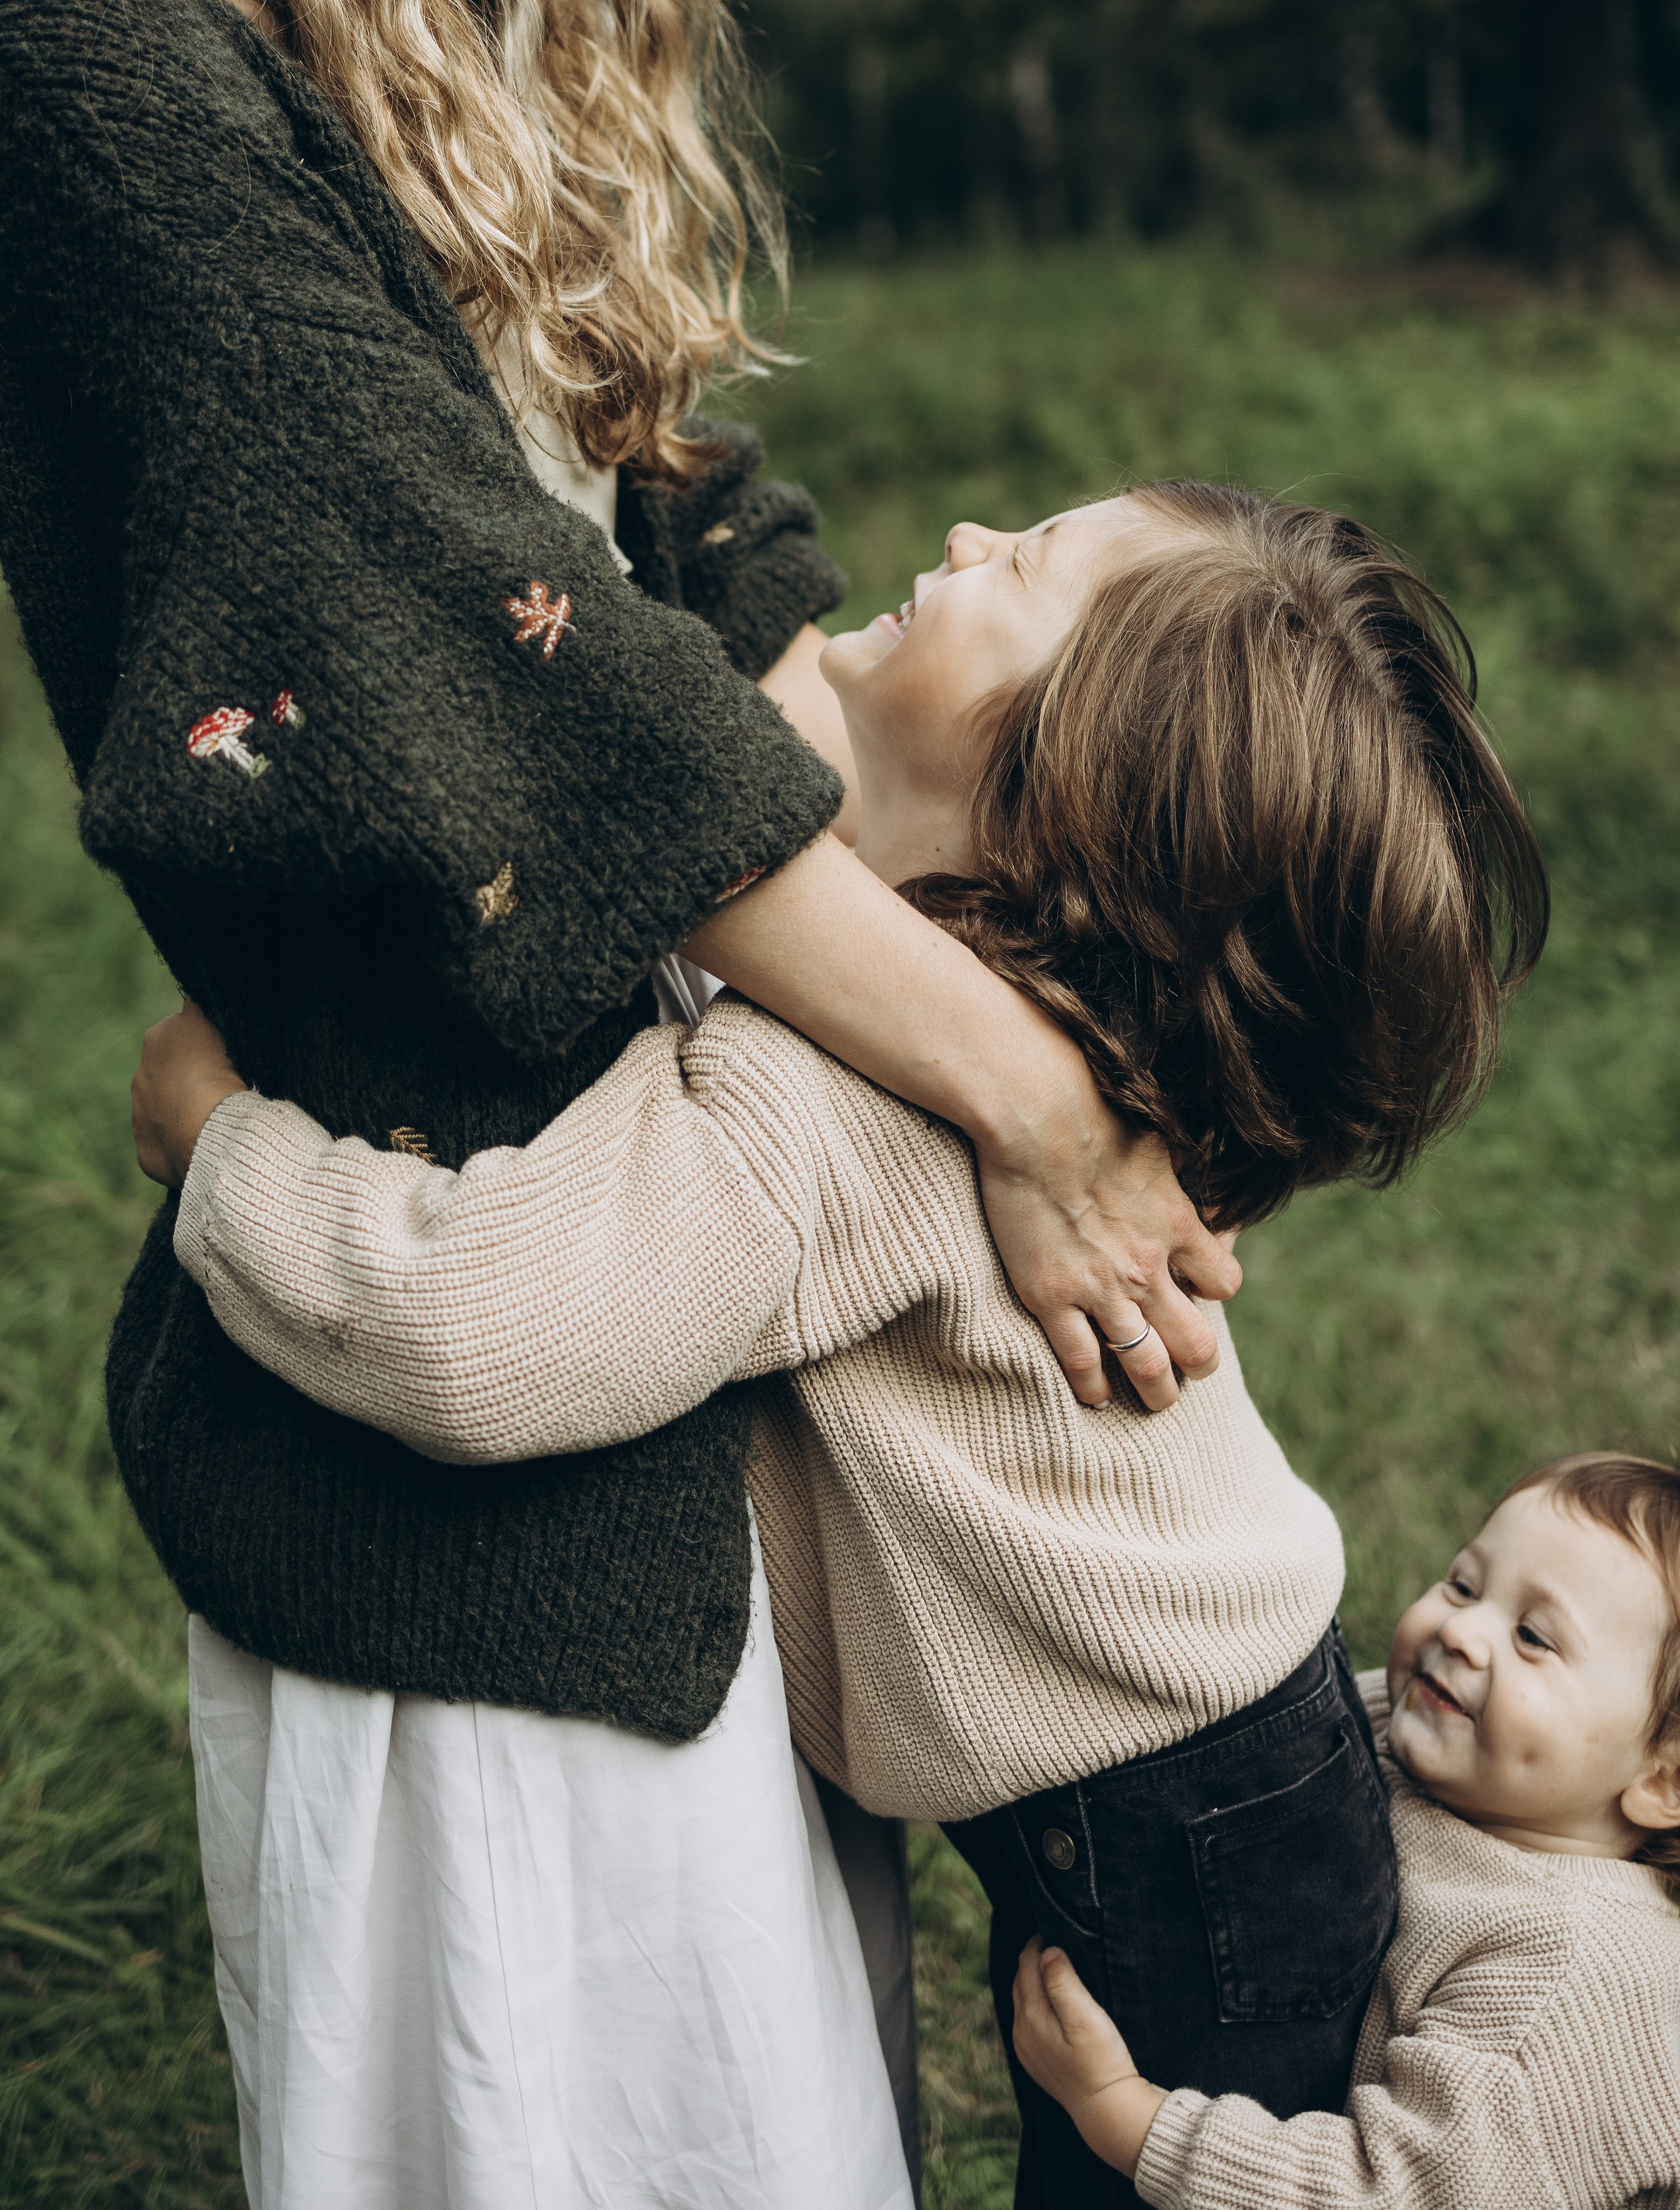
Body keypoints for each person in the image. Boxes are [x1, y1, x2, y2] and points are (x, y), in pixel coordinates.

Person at [0, 0, 1237, 2210]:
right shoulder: (74, 41)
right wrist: (1012, 1081)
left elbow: (678, 544)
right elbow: (480, 637)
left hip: (680, 1279)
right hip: (440, 1352)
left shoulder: (431, 51)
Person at [132, 478, 1551, 2207]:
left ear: (1073, 816)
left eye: (1018, 569)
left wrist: (222, 1147)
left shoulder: (842, 1100)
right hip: (1209, 1787)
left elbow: (476, 1332)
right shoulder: (972, 1028)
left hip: (1188, 1836)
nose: (959, 540)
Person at [1012, 1454, 1680, 2210]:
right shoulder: (1427, 1741)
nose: (1461, 1632)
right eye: (1464, 1585)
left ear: (1665, 1780)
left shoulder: (1567, 1974)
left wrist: (1122, 2114)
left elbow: (1389, 2191)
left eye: (1534, 1637)